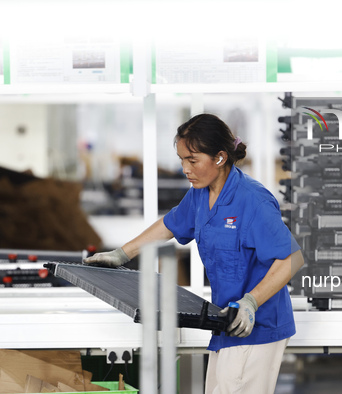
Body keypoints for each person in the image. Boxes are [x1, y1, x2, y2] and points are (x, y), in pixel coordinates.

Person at [84, 113, 304, 394]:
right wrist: (122, 254)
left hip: (256, 326)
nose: (185, 169)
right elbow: (170, 224)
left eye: (192, 160)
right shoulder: (201, 193)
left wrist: (250, 302)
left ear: (220, 158)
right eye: (181, 161)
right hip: (226, 322)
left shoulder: (252, 199)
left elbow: (291, 259)